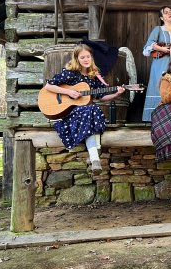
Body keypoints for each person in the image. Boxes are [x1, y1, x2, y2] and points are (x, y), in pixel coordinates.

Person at [44, 44, 125, 174]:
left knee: (93, 108)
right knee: (91, 109)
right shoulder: (70, 73)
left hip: (86, 113)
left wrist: (116, 93)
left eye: (88, 56)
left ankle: (94, 159)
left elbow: (101, 96)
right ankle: (95, 154)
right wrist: (68, 92)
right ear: (77, 59)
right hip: (69, 112)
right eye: (82, 57)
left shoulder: (93, 76)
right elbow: (48, 87)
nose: (86, 59)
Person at [142, 6, 171, 121]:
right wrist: (163, 50)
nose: (169, 14)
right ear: (162, 17)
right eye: (166, 13)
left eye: (170, 12)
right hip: (160, 63)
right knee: (159, 85)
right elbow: (149, 44)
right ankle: (156, 117)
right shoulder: (158, 29)